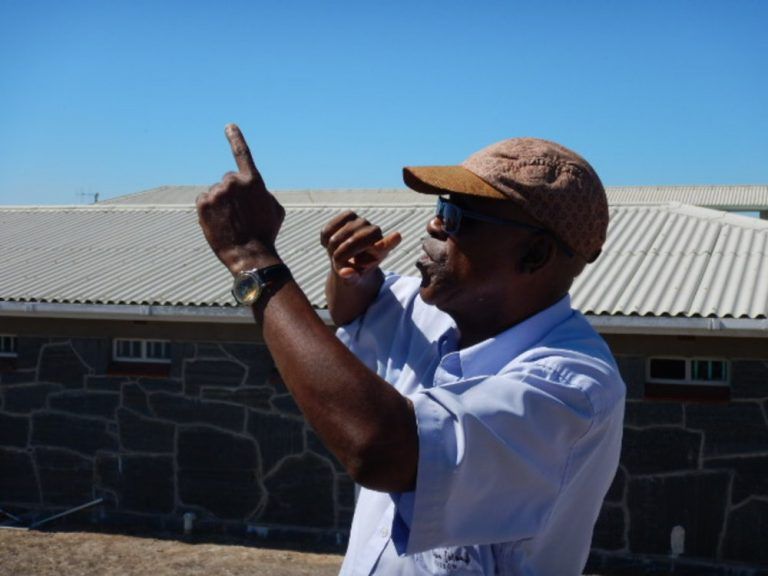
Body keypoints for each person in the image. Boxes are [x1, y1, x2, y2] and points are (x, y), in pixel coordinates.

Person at [196, 125, 625, 575]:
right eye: (440, 207)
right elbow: (356, 310)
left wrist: (251, 258)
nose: (434, 224)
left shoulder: (572, 389)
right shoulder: (441, 310)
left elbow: (381, 449)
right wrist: (349, 279)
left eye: (457, 216)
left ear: (534, 254)